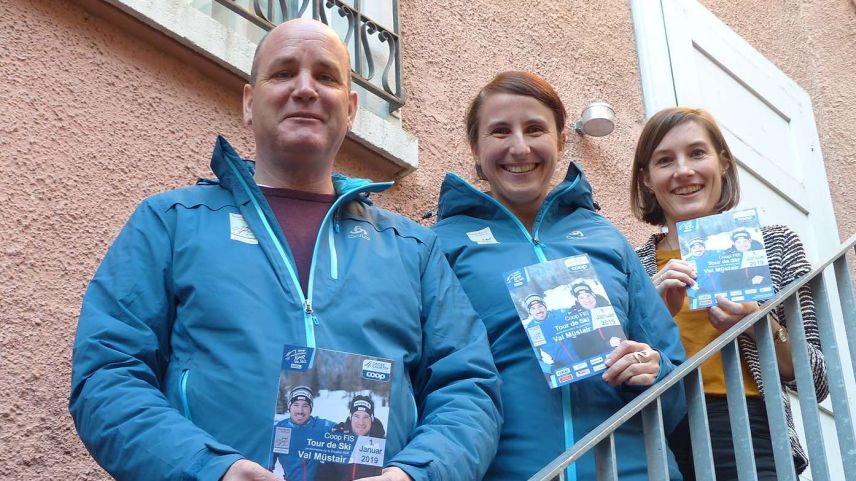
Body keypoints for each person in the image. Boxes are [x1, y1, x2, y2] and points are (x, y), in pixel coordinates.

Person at [69, 18, 501, 481]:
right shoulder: (171, 223)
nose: (305, 89)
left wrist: (417, 474)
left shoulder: (412, 248)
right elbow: (107, 375)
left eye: (326, 76)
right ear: (250, 103)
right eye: (283, 72)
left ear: (351, 109)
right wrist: (210, 470)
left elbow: (469, 389)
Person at [431, 71, 686, 481]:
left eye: (535, 129)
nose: (519, 146)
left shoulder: (607, 239)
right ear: (475, 149)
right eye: (500, 131)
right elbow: (430, 379)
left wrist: (653, 370)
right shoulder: (439, 246)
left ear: (561, 141)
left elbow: (675, 382)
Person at [630, 106, 829, 481]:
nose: (683, 170)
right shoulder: (633, 266)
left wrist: (761, 325)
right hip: (657, 436)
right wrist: (652, 320)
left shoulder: (774, 245)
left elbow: (817, 379)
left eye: (697, 153)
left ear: (722, 163)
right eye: (665, 160)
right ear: (646, 179)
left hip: (753, 432)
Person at [269, 386, 336, 480]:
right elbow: (266, 466)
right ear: (289, 407)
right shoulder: (280, 430)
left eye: (305, 406)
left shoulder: (323, 426)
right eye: (296, 405)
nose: (300, 411)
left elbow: (350, 433)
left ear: (310, 409)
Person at [317, 395, 387, 481]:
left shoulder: (382, 443)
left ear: (372, 418)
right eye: (356, 416)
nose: (361, 422)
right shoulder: (337, 438)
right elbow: (323, 473)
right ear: (350, 417)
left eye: (366, 417)